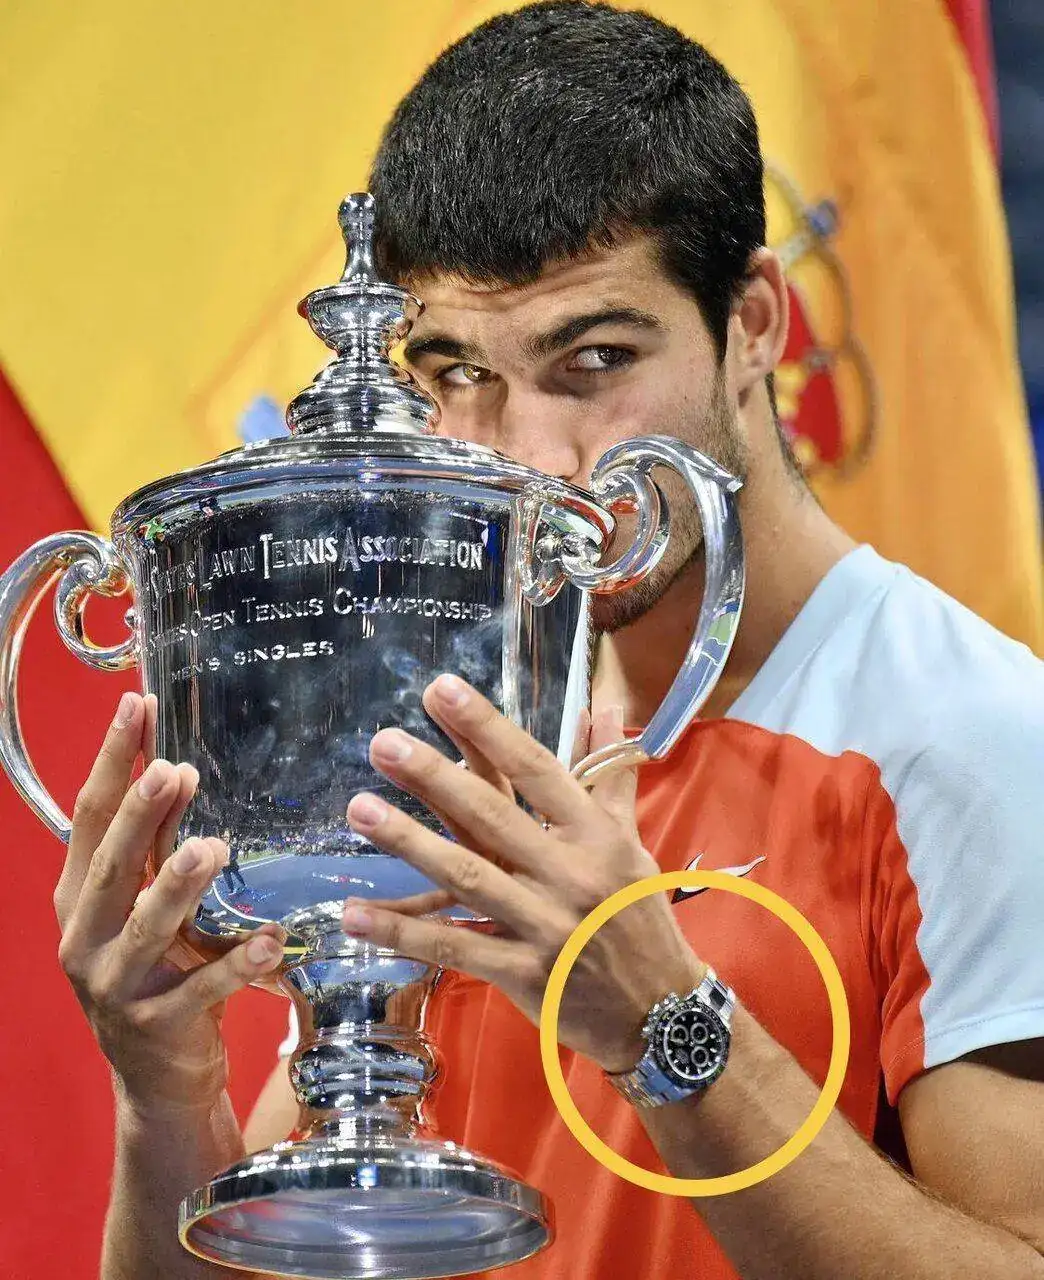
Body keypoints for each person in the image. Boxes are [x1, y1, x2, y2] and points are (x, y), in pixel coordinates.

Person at [54, 4, 1044, 1278]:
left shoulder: (975, 738)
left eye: (593, 359)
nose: (525, 454)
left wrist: (669, 1029)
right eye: (454, 371)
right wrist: (167, 1094)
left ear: (755, 321)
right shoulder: (450, 730)